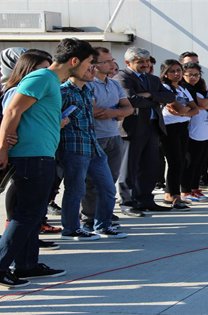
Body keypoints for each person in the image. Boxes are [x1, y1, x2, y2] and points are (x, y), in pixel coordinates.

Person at [0, 38, 97, 288]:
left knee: (32, 214)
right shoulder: (42, 77)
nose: (89, 68)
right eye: (88, 63)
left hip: (41, 153)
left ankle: (27, 264)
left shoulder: (51, 81)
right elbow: (12, 111)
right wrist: (2, 148)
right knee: (27, 214)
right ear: (74, 61)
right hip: (31, 155)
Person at [59, 56, 129, 240]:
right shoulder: (63, 92)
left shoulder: (87, 92)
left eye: (93, 68)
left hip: (93, 146)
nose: (92, 71)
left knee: (107, 187)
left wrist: (115, 112)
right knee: (76, 189)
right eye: (88, 68)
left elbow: (126, 109)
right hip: (74, 147)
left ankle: (103, 225)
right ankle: (71, 228)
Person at [1, 49, 62, 249]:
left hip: (34, 150)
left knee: (29, 209)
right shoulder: (16, 91)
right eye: (42, 69)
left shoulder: (39, 88)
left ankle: (27, 248)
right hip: (23, 152)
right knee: (23, 207)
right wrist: (5, 141)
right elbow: (10, 116)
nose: (47, 73)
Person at [115, 47, 175, 214]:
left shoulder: (153, 79)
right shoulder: (122, 77)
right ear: (128, 63)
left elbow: (170, 97)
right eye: (140, 62)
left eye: (147, 61)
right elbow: (131, 100)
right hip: (132, 128)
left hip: (152, 127)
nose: (145, 65)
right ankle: (128, 202)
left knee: (150, 166)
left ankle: (145, 200)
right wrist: (154, 99)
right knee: (129, 167)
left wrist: (149, 95)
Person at [81, 47, 134, 227]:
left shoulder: (114, 84)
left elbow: (129, 108)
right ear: (95, 65)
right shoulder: (88, 84)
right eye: (107, 61)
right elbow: (94, 111)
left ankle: (105, 214)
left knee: (110, 179)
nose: (113, 64)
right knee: (92, 181)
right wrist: (117, 112)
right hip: (95, 137)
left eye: (112, 60)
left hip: (114, 136)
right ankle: (89, 217)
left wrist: (113, 112)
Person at [159, 59, 199, 209]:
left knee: (182, 161)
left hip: (182, 126)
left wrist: (184, 113)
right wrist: (185, 112)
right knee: (175, 161)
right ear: (165, 73)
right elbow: (180, 109)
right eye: (172, 71)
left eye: (179, 71)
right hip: (169, 128)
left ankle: (173, 193)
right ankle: (173, 195)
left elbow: (195, 109)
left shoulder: (183, 89)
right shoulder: (164, 88)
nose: (177, 74)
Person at [180, 62, 208, 200]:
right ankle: (186, 190)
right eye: (190, 75)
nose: (193, 78)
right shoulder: (185, 88)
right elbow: (204, 104)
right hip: (192, 129)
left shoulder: (199, 87)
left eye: (196, 75)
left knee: (200, 161)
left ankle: (195, 188)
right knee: (190, 161)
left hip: (204, 129)